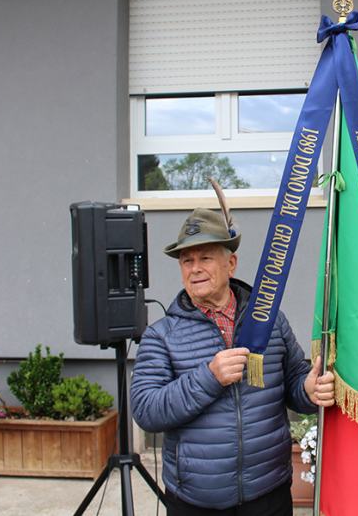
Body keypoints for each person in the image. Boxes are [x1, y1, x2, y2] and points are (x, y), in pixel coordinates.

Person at [131, 205, 335, 516]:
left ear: (231, 264)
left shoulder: (270, 321)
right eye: (187, 261)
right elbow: (146, 410)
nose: (195, 268)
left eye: (205, 258)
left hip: (269, 493)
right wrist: (208, 377)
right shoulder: (162, 335)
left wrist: (308, 390)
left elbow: (294, 382)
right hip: (196, 502)